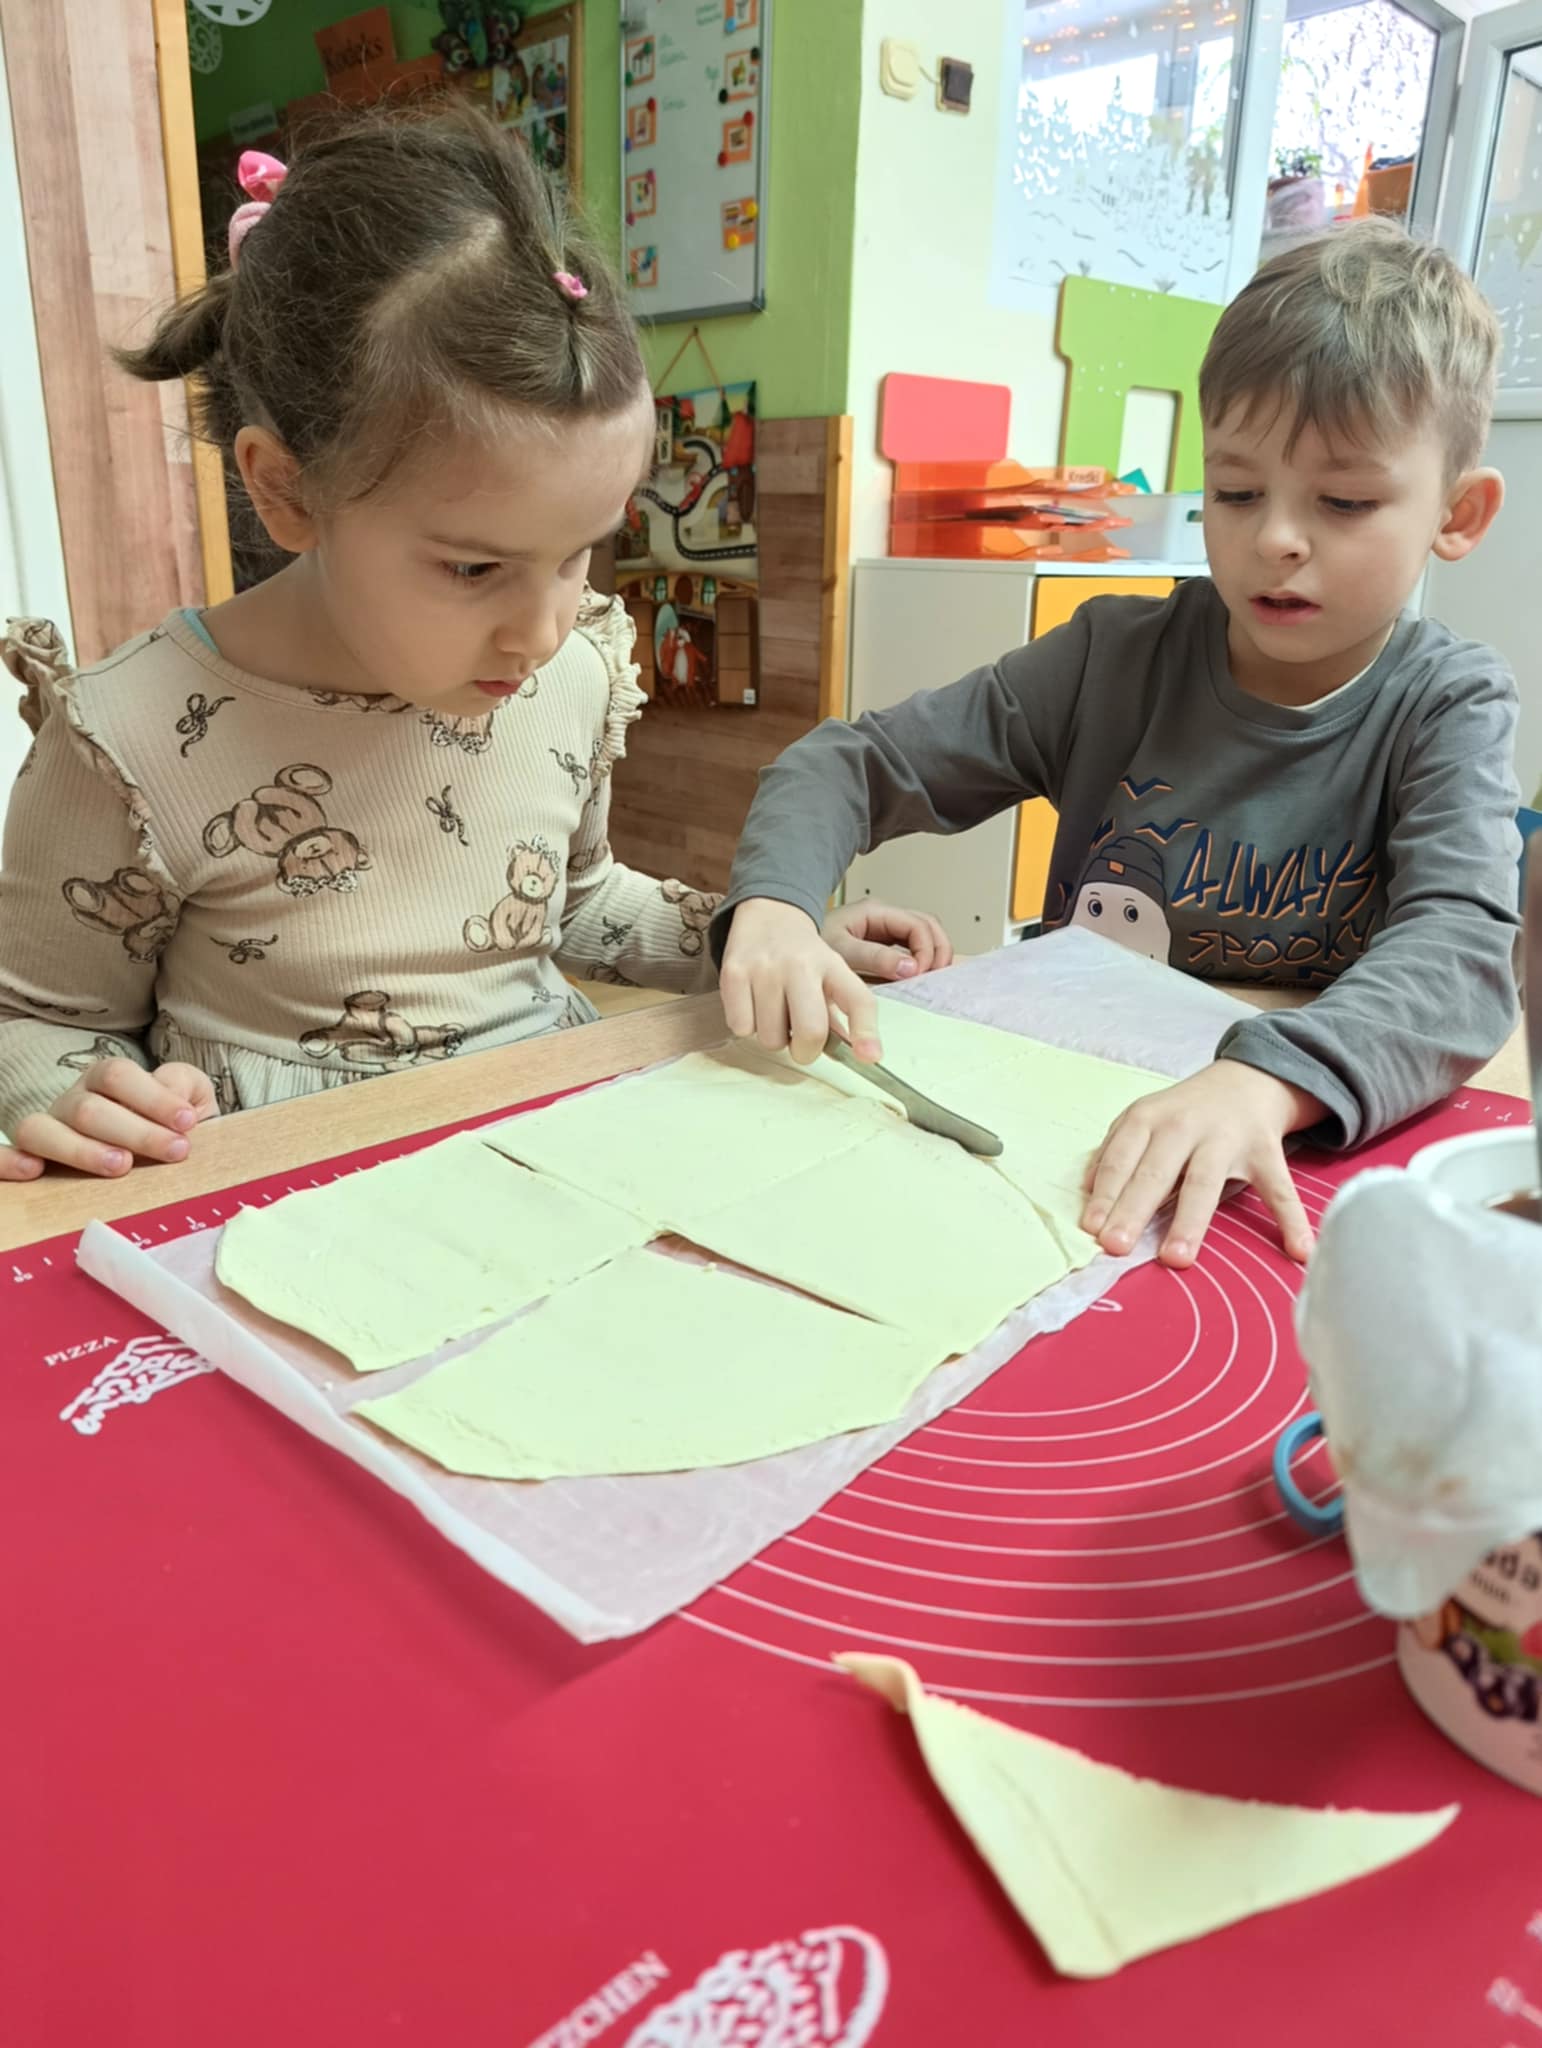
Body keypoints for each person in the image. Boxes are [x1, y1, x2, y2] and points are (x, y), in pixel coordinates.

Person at [0, 107, 943, 1183]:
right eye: (473, 569)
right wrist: (60, 1089)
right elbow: (32, 1014)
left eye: (581, 553)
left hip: (547, 1158)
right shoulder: (126, 737)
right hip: (286, 1200)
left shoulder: (570, 677)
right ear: (285, 490)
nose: (542, 631)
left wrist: (756, 940)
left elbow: (576, 900)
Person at [716, 220, 1522, 1268]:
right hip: (1063, 1126)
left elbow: (1462, 955)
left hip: (1286, 1132)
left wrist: (1267, 1077)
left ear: (1457, 514)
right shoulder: (1113, 658)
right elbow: (847, 765)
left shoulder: (1448, 703)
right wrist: (777, 909)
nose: (1276, 537)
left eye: (1345, 501)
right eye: (1236, 491)